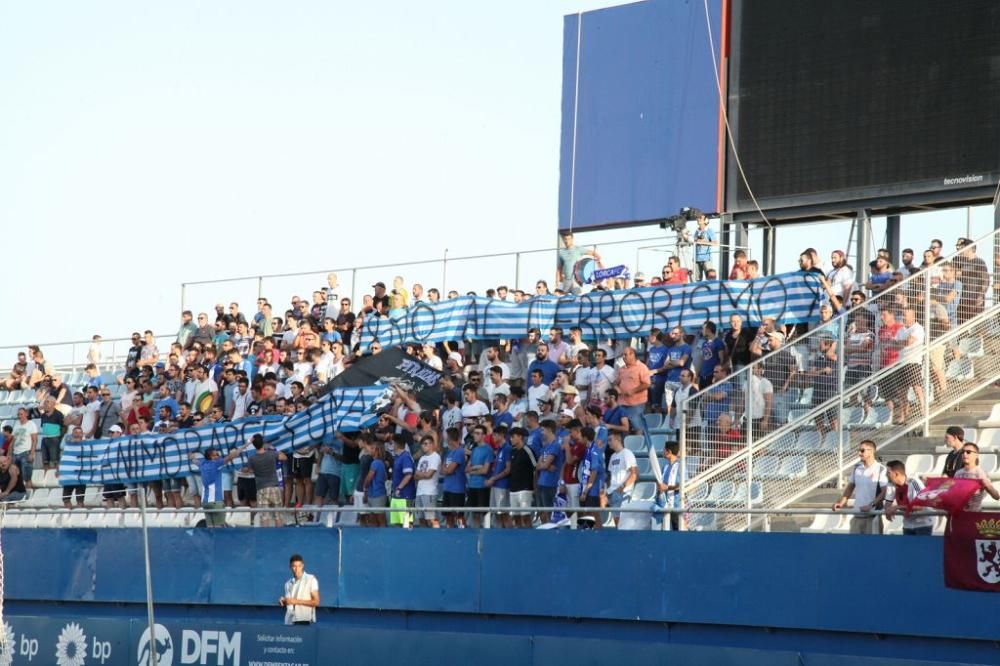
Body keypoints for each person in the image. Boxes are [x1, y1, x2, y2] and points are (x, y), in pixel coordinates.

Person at [832, 440, 887, 534]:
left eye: (862, 450)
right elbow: (850, 487)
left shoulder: (881, 469)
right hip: (857, 514)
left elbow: (884, 492)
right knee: (854, 547)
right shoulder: (857, 467)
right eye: (859, 450)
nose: (859, 453)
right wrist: (841, 503)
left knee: (873, 547)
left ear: (871, 451)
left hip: (872, 516)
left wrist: (871, 505)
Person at [240, 434, 287, 527]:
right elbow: (284, 457)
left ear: (253, 445)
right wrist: (272, 448)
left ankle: (265, 538)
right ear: (263, 443)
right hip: (274, 487)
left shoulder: (252, 459)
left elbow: (249, 470)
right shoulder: (272, 454)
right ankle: (280, 538)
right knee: (278, 515)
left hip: (261, 488)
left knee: (264, 517)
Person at [884, 460, 935, 535]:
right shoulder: (891, 484)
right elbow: (888, 503)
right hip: (907, 525)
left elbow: (919, 506)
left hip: (922, 524)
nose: (886, 475)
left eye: (888, 473)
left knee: (921, 547)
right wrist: (887, 510)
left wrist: (896, 507)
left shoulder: (913, 482)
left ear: (896, 474)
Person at [614, 347, 651, 434]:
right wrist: (617, 388)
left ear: (633, 355)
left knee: (637, 427)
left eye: (626, 355)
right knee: (623, 427)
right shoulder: (622, 369)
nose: (623, 357)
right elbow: (615, 383)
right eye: (623, 355)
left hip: (636, 404)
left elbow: (646, 384)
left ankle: (638, 445)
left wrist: (633, 391)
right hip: (622, 403)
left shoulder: (642, 367)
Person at [954, 443, 1000, 511]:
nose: (965, 454)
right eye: (962, 452)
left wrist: (988, 487)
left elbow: (996, 496)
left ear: (976, 455)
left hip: (974, 515)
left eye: (968, 452)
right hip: (959, 514)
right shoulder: (958, 473)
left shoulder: (980, 473)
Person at [605, 431, 637, 526]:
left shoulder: (627, 453)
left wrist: (622, 487)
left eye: (610, 440)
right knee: (617, 521)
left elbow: (634, 474)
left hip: (622, 492)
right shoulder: (613, 456)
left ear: (618, 439)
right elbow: (611, 475)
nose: (609, 443)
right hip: (613, 491)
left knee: (621, 522)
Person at [465, 425, 494, 528]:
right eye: (474, 433)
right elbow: (467, 469)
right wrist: (477, 467)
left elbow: (485, 470)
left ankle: (485, 536)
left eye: (478, 433)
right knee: (474, 513)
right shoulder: (475, 449)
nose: (475, 435)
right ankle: (476, 535)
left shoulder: (488, 450)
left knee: (484, 514)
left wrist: (473, 470)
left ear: (484, 436)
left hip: (482, 486)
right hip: (472, 486)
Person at [507, 427, 536, 528]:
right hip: (513, 489)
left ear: (520, 437)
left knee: (526, 516)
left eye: (513, 437)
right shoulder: (513, 451)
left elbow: (535, 468)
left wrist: (534, 487)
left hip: (525, 489)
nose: (511, 439)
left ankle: (529, 537)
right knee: (515, 517)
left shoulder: (527, 450)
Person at [577, 426, 606, 528]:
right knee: (587, 516)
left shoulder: (594, 451)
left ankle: (600, 538)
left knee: (593, 515)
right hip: (588, 489)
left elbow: (594, 471)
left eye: (580, 436)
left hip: (593, 490)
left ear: (585, 438)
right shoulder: (588, 450)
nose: (578, 438)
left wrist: (586, 491)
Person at [280, 554, 320, 625]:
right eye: (294, 566)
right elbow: (290, 603)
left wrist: (295, 601)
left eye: (299, 566)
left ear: (302, 566)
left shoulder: (311, 579)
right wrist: (284, 601)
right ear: (290, 567)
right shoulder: (287, 584)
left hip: (305, 621)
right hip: (289, 621)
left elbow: (316, 602)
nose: (297, 569)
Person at [439, 428, 467, 528]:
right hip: (447, 488)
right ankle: (449, 536)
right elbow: (443, 471)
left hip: (457, 490)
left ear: (449, 438)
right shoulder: (448, 453)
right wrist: (445, 469)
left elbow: (449, 470)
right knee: (448, 516)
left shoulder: (459, 452)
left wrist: (445, 469)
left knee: (459, 516)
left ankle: (463, 534)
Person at [413, 436, 441, 528]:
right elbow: (415, 475)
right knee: (420, 518)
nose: (423, 446)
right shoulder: (422, 458)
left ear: (432, 444)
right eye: (422, 444)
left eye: (426, 444)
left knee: (431, 518)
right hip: (419, 492)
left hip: (429, 492)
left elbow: (429, 475)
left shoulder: (435, 457)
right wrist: (423, 475)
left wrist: (421, 475)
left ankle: (436, 536)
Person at [657, 441, 685, 531]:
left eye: (664, 449)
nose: (663, 451)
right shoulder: (665, 467)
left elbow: (683, 486)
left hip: (676, 506)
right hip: (664, 506)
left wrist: (667, 488)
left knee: (678, 531)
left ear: (669, 451)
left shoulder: (680, 466)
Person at [693, 214, 716, 280]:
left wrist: (703, 242)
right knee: (697, 280)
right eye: (697, 218)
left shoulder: (709, 230)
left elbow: (715, 243)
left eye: (700, 218)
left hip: (706, 259)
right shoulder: (696, 231)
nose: (698, 219)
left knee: (710, 278)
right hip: (696, 259)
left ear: (705, 220)